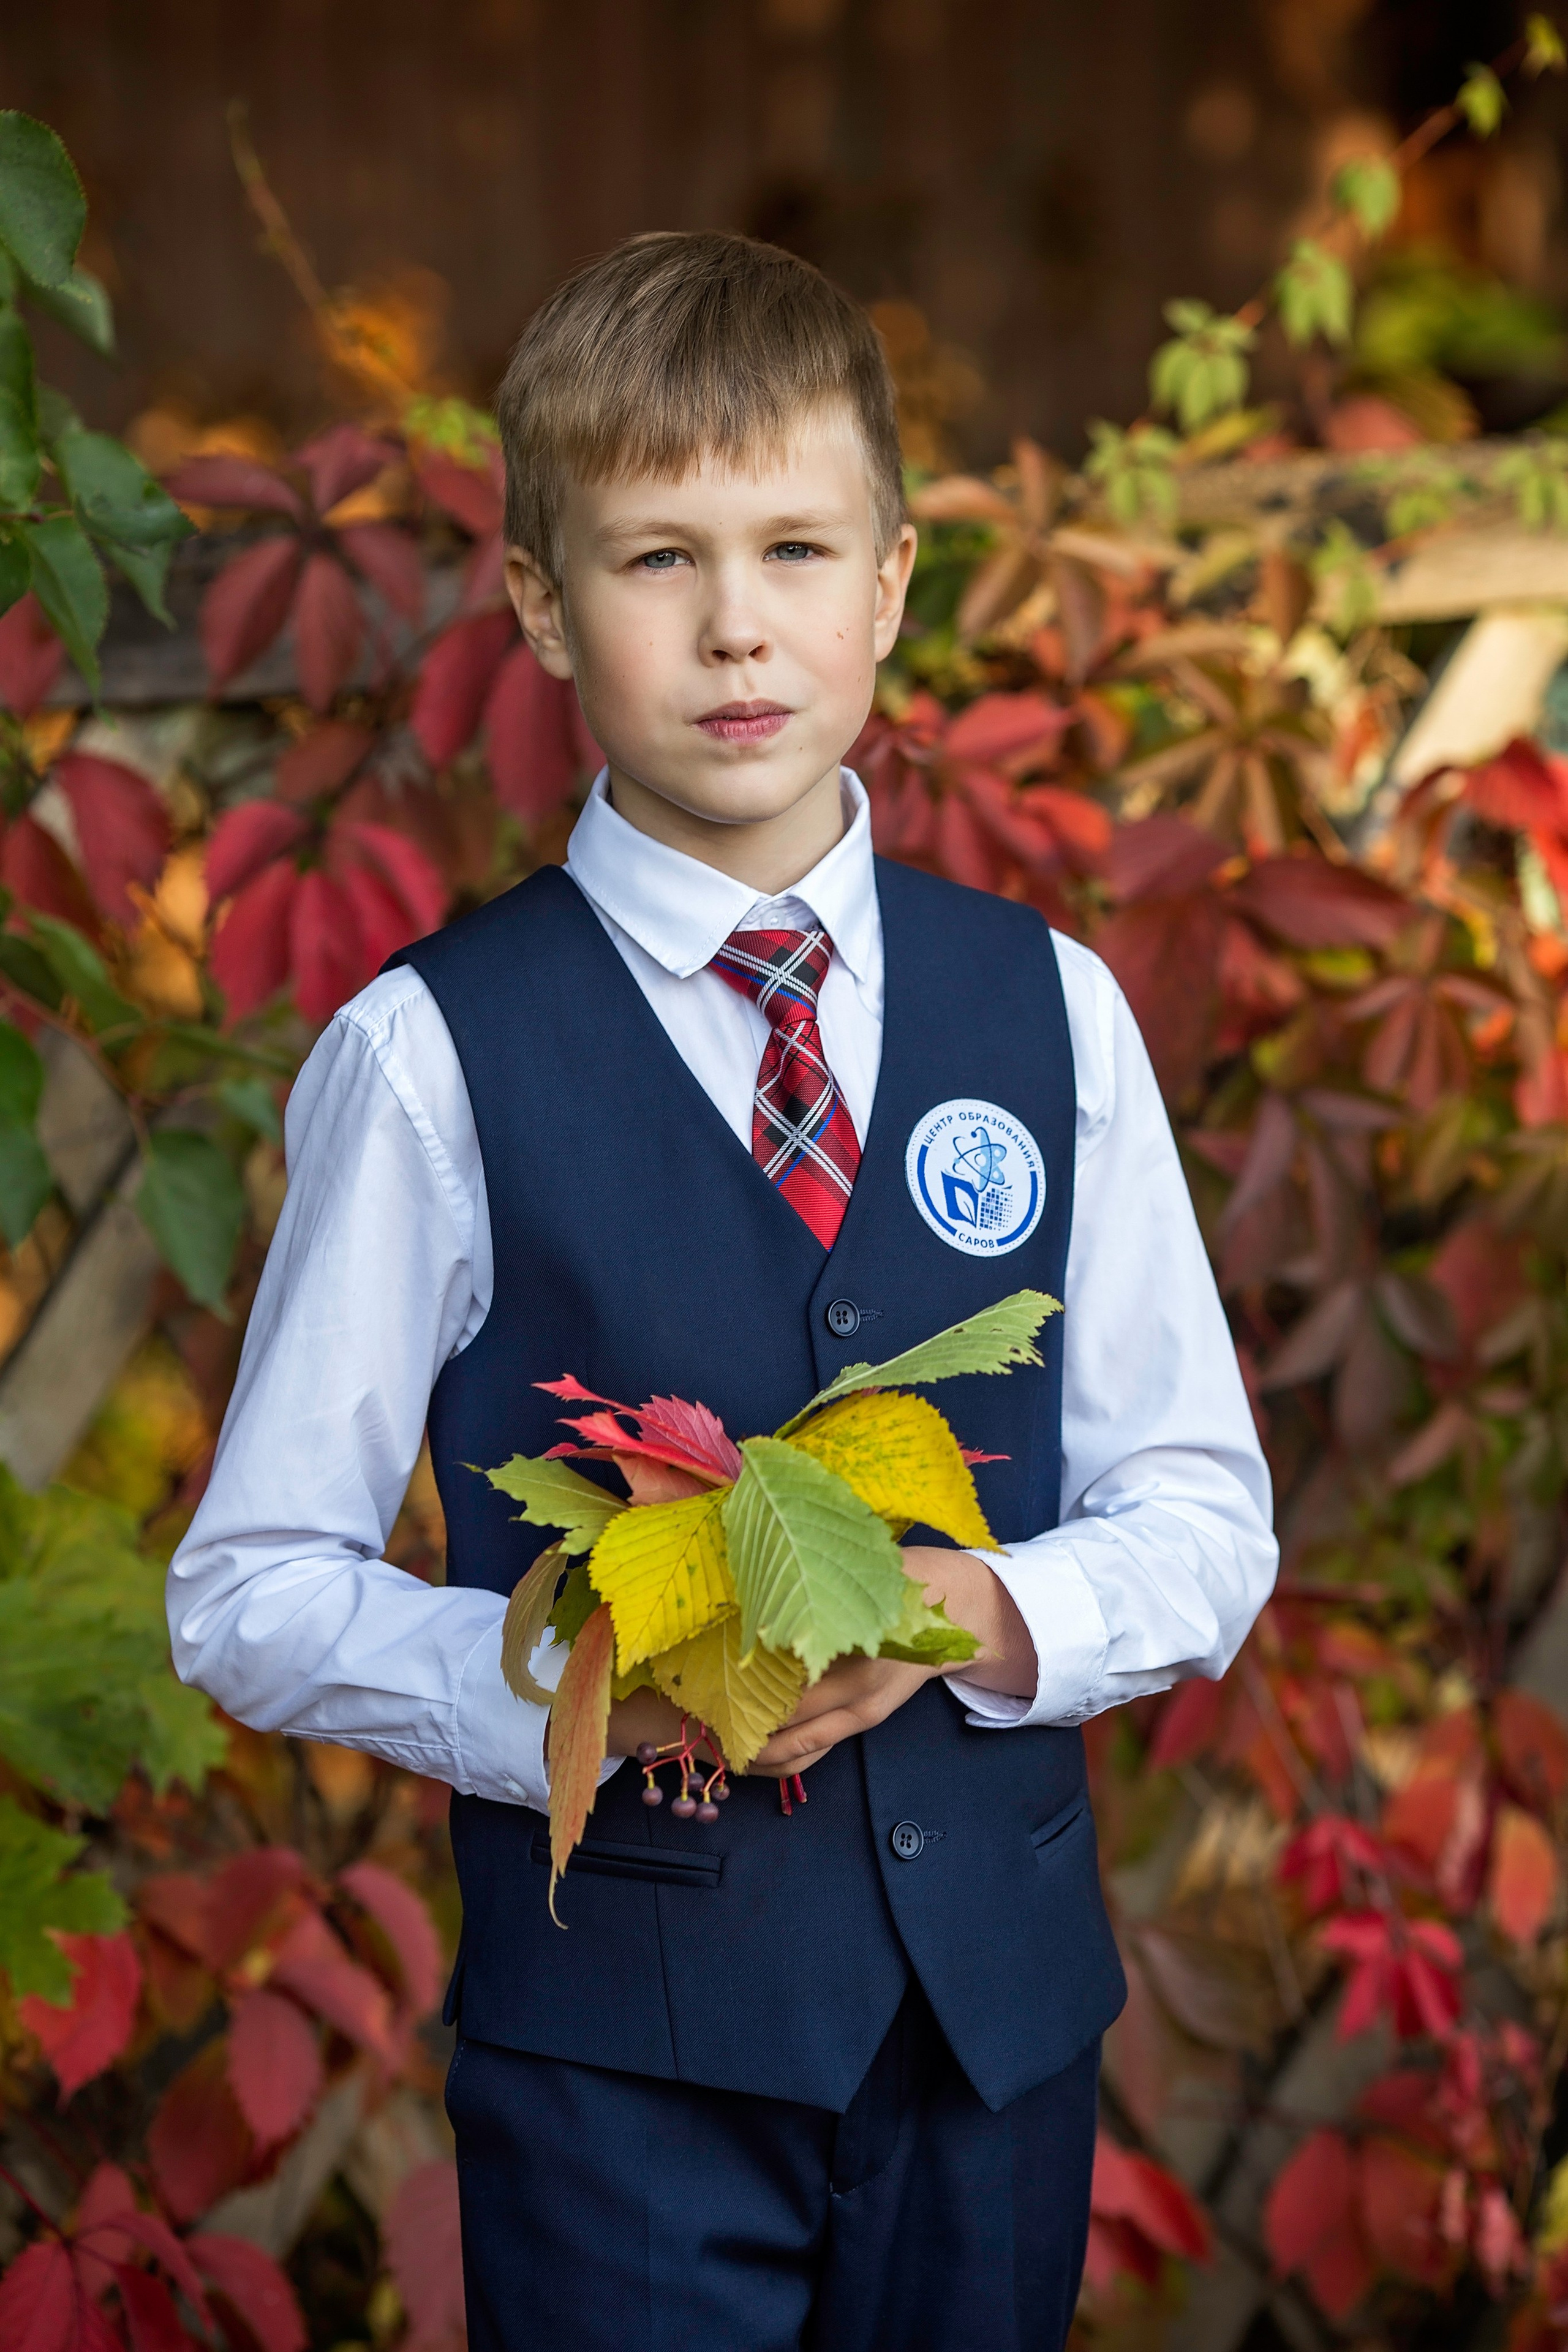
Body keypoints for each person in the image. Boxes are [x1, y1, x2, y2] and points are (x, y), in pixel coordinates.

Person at [168, 230, 1277, 2352]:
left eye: (792, 546)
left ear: (890, 583)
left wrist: (984, 1611)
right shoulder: (431, 1056)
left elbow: (1206, 1517)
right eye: (658, 559)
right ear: (538, 601)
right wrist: (589, 1692)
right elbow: (253, 1587)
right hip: (629, 2087)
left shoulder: (1047, 1010)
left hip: (997, 2057)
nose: (737, 624)